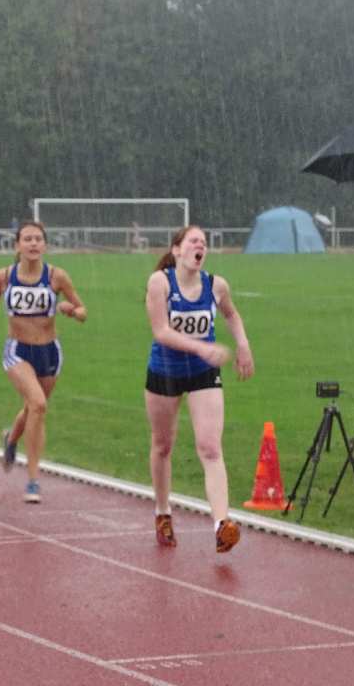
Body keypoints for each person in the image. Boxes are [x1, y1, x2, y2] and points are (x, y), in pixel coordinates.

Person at [144, 225, 253, 553]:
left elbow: (231, 314)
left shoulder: (216, 285)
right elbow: (161, 331)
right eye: (193, 241)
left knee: (210, 447)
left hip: (203, 372)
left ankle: (222, 525)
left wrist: (243, 345)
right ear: (177, 250)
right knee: (163, 445)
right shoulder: (160, 282)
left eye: (204, 243)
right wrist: (201, 347)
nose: (200, 246)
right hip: (165, 370)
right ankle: (162, 512)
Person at [0, 221, 87, 503]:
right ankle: (33, 480)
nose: (33, 244)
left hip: (49, 352)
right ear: (17, 245)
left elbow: (82, 310)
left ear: (45, 245)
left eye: (38, 239)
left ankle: (11, 439)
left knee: (33, 408)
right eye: (27, 239)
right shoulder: (3, 276)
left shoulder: (57, 276)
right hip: (17, 350)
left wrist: (72, 311)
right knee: (38, 404)